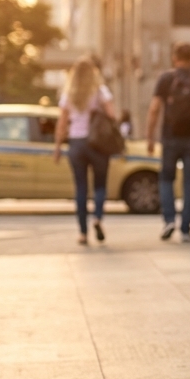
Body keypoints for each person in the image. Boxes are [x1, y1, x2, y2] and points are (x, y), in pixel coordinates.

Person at [146, 42, 190, 243]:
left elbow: (154, 109)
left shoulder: (166, 79)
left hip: (170, 137)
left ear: (174, 58)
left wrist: (150, 137)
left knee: (166, 179)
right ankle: (186, 228)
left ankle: (169, 220)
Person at [53, 56, 117, 245]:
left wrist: (57, 147)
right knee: (100, 186)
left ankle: (82, 233)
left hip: (76, 143)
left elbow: (62, 124)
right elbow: (112, 115)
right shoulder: (100, 91)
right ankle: (97, 217)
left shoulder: (69, 94)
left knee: (80, 188)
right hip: (97, 143)